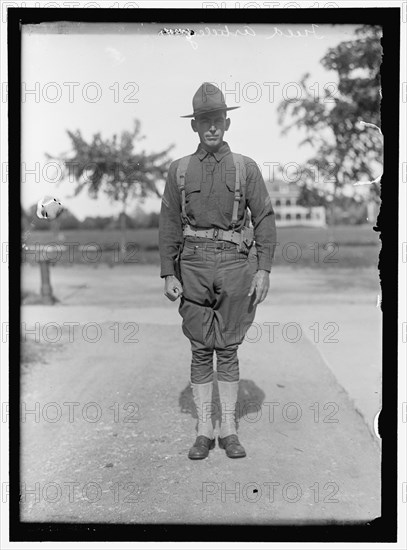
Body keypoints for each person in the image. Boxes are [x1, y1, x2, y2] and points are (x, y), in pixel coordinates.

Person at [159, 82, 277, 460]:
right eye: (203, 121)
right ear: (194, 125)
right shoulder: (179, 171)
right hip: (191, 264)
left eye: (217, 120)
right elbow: (169, 224)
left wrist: (264, 270)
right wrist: (168, 272)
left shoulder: (246, 168)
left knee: (227, 348)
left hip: (235, 264)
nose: (211, 127)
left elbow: (264, 220)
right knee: (199, 348)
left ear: (227, 123)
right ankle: (203, 430)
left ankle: (228, 429)